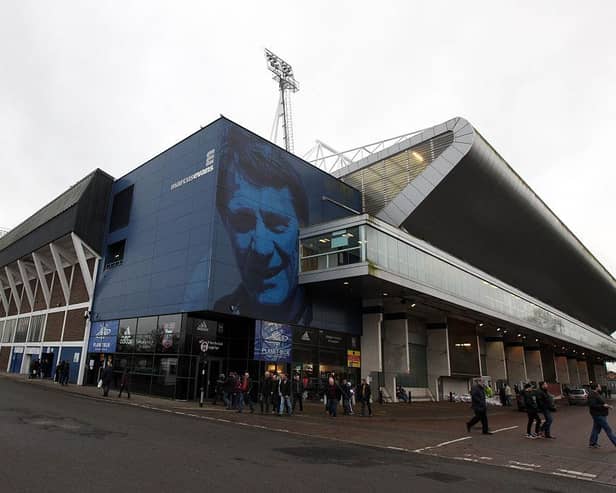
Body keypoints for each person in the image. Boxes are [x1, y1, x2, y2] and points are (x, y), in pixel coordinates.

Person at [213, 126, 311, 325]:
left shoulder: (327, 309)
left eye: (277, 223)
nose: (261, 248)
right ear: (225, 224)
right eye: (243, 221)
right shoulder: (218, 311)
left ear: (303, 230)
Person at [588, 383, 616, 448]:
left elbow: (601, 402)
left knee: (596, 429)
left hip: (601, 414)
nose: (600, 387)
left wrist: (608, 406)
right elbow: (592, 405)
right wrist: (603, 406)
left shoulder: (596, 393)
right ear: (596, 387)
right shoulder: (592, 394)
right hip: (598, 415)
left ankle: (592, 443)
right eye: (599, 386)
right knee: (608, 429)